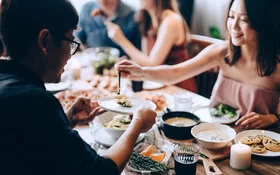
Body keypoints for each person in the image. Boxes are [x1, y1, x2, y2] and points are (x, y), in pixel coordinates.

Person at [0, 0, 156, 174]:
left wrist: (67, 121)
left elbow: (31, 141)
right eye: (70, 42)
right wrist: (137, 124)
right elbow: (100, 171)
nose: (70, 55)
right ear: (45, 41)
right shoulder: (35, 102)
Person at [115, 0, 280, 130]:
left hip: (259, 148)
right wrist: (141, 71)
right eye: (231, 16)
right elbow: (175, 73)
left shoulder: (277, 65)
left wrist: (273, 118)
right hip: (213, 133)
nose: (234, 26)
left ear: (263, 22)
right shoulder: (222, 52)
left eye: (244, 19)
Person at [105, 0, 197, 92]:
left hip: (178, 88)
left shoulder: (171, 20)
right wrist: (127, 63)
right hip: (157, 85)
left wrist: (121, 40)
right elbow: (145, 60)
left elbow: (152, 64)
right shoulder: (148, 19)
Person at [76, 0, 141, 56]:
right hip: (93, 63)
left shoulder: (133, 16)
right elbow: (78, 41)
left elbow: (139, 53)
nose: (103, 1)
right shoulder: (87, 10)